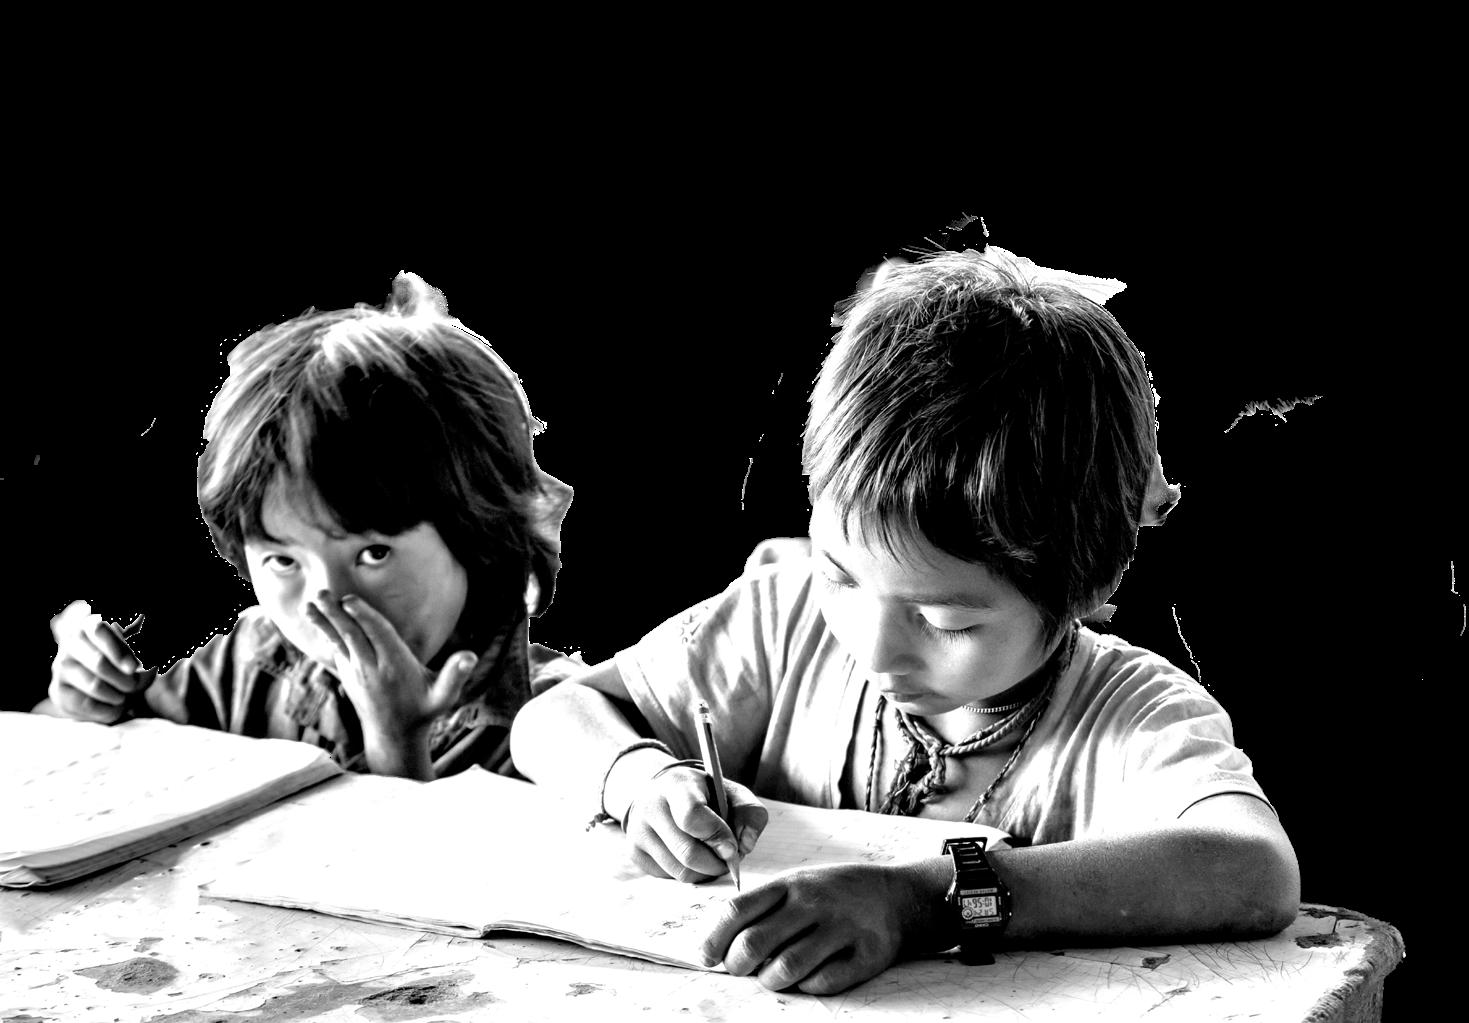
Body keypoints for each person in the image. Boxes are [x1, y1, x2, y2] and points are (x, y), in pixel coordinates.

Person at [511, 241, 1299, 994]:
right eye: (838, 574)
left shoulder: (1130, 716)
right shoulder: (781, 621)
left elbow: (1254, 870)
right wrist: (639, 779)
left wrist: (928, 898)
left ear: (1081, 586)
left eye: (946, 622)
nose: (874, 649)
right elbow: (555, 714)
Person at [42, 272, 576, 780]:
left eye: (373, 554)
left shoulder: (564, 724)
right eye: (283, 560)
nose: (325, 601)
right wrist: (86, 703)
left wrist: (398, 743)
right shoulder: (252, 661)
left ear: (480, 539)